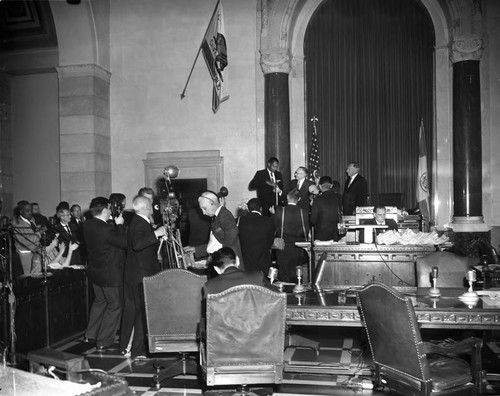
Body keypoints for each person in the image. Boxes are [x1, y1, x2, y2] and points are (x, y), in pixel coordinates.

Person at [120, 195, 166, 359]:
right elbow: (138, 244)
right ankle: (137, 350)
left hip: (134, 274)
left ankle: (128, 347)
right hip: (141, 275)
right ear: (147, 207)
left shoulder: (136, 221)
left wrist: (156, 236)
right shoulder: (139, 223)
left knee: (134, 311)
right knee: (142, 313)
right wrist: (156, 234)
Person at [83, 197, 127, 351]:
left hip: (96, 273)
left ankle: (90, 334)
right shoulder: (107, 229)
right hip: (110, 274)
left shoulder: (87, 225)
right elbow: (124, 242)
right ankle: (103, 341)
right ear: (105, 210)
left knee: (100, 302)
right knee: (115, 305)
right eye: (109, 208)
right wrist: (120, 225)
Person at [194, 191, 243, 267]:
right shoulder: (217, 216)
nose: (203, 213)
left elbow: (233, 232)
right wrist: (196, 249)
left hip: (227, 264)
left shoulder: (224, 215)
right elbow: (215, 243)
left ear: (212, 203)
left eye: (204, 208)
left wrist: (220, 256)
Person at [273, 189, 310, 283]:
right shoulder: (304, 212)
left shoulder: (280, 211)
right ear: (299, 199)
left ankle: (284, 291)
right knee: (297, 271)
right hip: (298, 246)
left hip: (283, 245)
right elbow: (306, 230)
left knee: (283, 271)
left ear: (287, 198)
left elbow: (274, 227)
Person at [238, 198, 275, 276]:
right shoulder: (268, 221)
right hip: (263, 259)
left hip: (247, 261)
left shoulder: (241, 221)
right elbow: (270, 241)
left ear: (248, 208)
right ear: (261, 208)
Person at [10, 200, 41, 275]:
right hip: (26, 256)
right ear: (21, 211)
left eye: (31, 210)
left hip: (37, 254)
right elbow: (25, 241)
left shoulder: (32, 221)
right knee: (28, 279)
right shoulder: (17, 225)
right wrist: (39, 233)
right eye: (27, 211)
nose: (30, 212)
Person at [310, 176, 342, 241]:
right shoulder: (339, 198)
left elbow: (313, 220)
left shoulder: (317, 199)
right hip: (336, 234)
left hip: (321, 235)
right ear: (331, 185)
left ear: (320, 186)